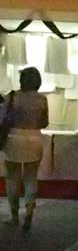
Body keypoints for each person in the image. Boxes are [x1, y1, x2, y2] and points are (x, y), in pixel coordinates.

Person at [1, 67, 48, 231]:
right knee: (31, 177)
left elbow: (2, 118)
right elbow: (44, 123)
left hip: (14, 138)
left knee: (12, 178)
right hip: (35, 138)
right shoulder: (42, 99)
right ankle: (29, 210)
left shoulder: (12, 97)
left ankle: (14, 216)